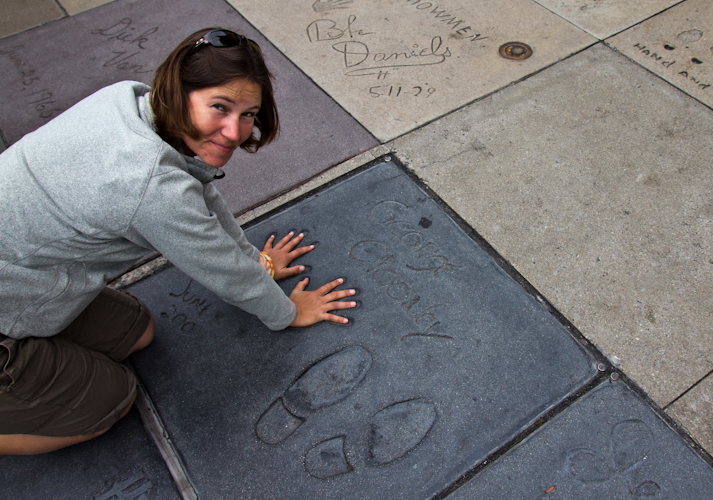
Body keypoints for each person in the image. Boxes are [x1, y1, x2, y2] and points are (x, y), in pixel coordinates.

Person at [0, 28, 357, 455]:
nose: (234, 130)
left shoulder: (130, 102)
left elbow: (199, 191)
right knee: (110, 400)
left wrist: (256, 260)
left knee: (138, 331)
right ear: (179, 90)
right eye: (220, 107)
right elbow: (222, 270)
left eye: (248, 114)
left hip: (22, 281)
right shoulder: (149, 185)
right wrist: (285, 312)